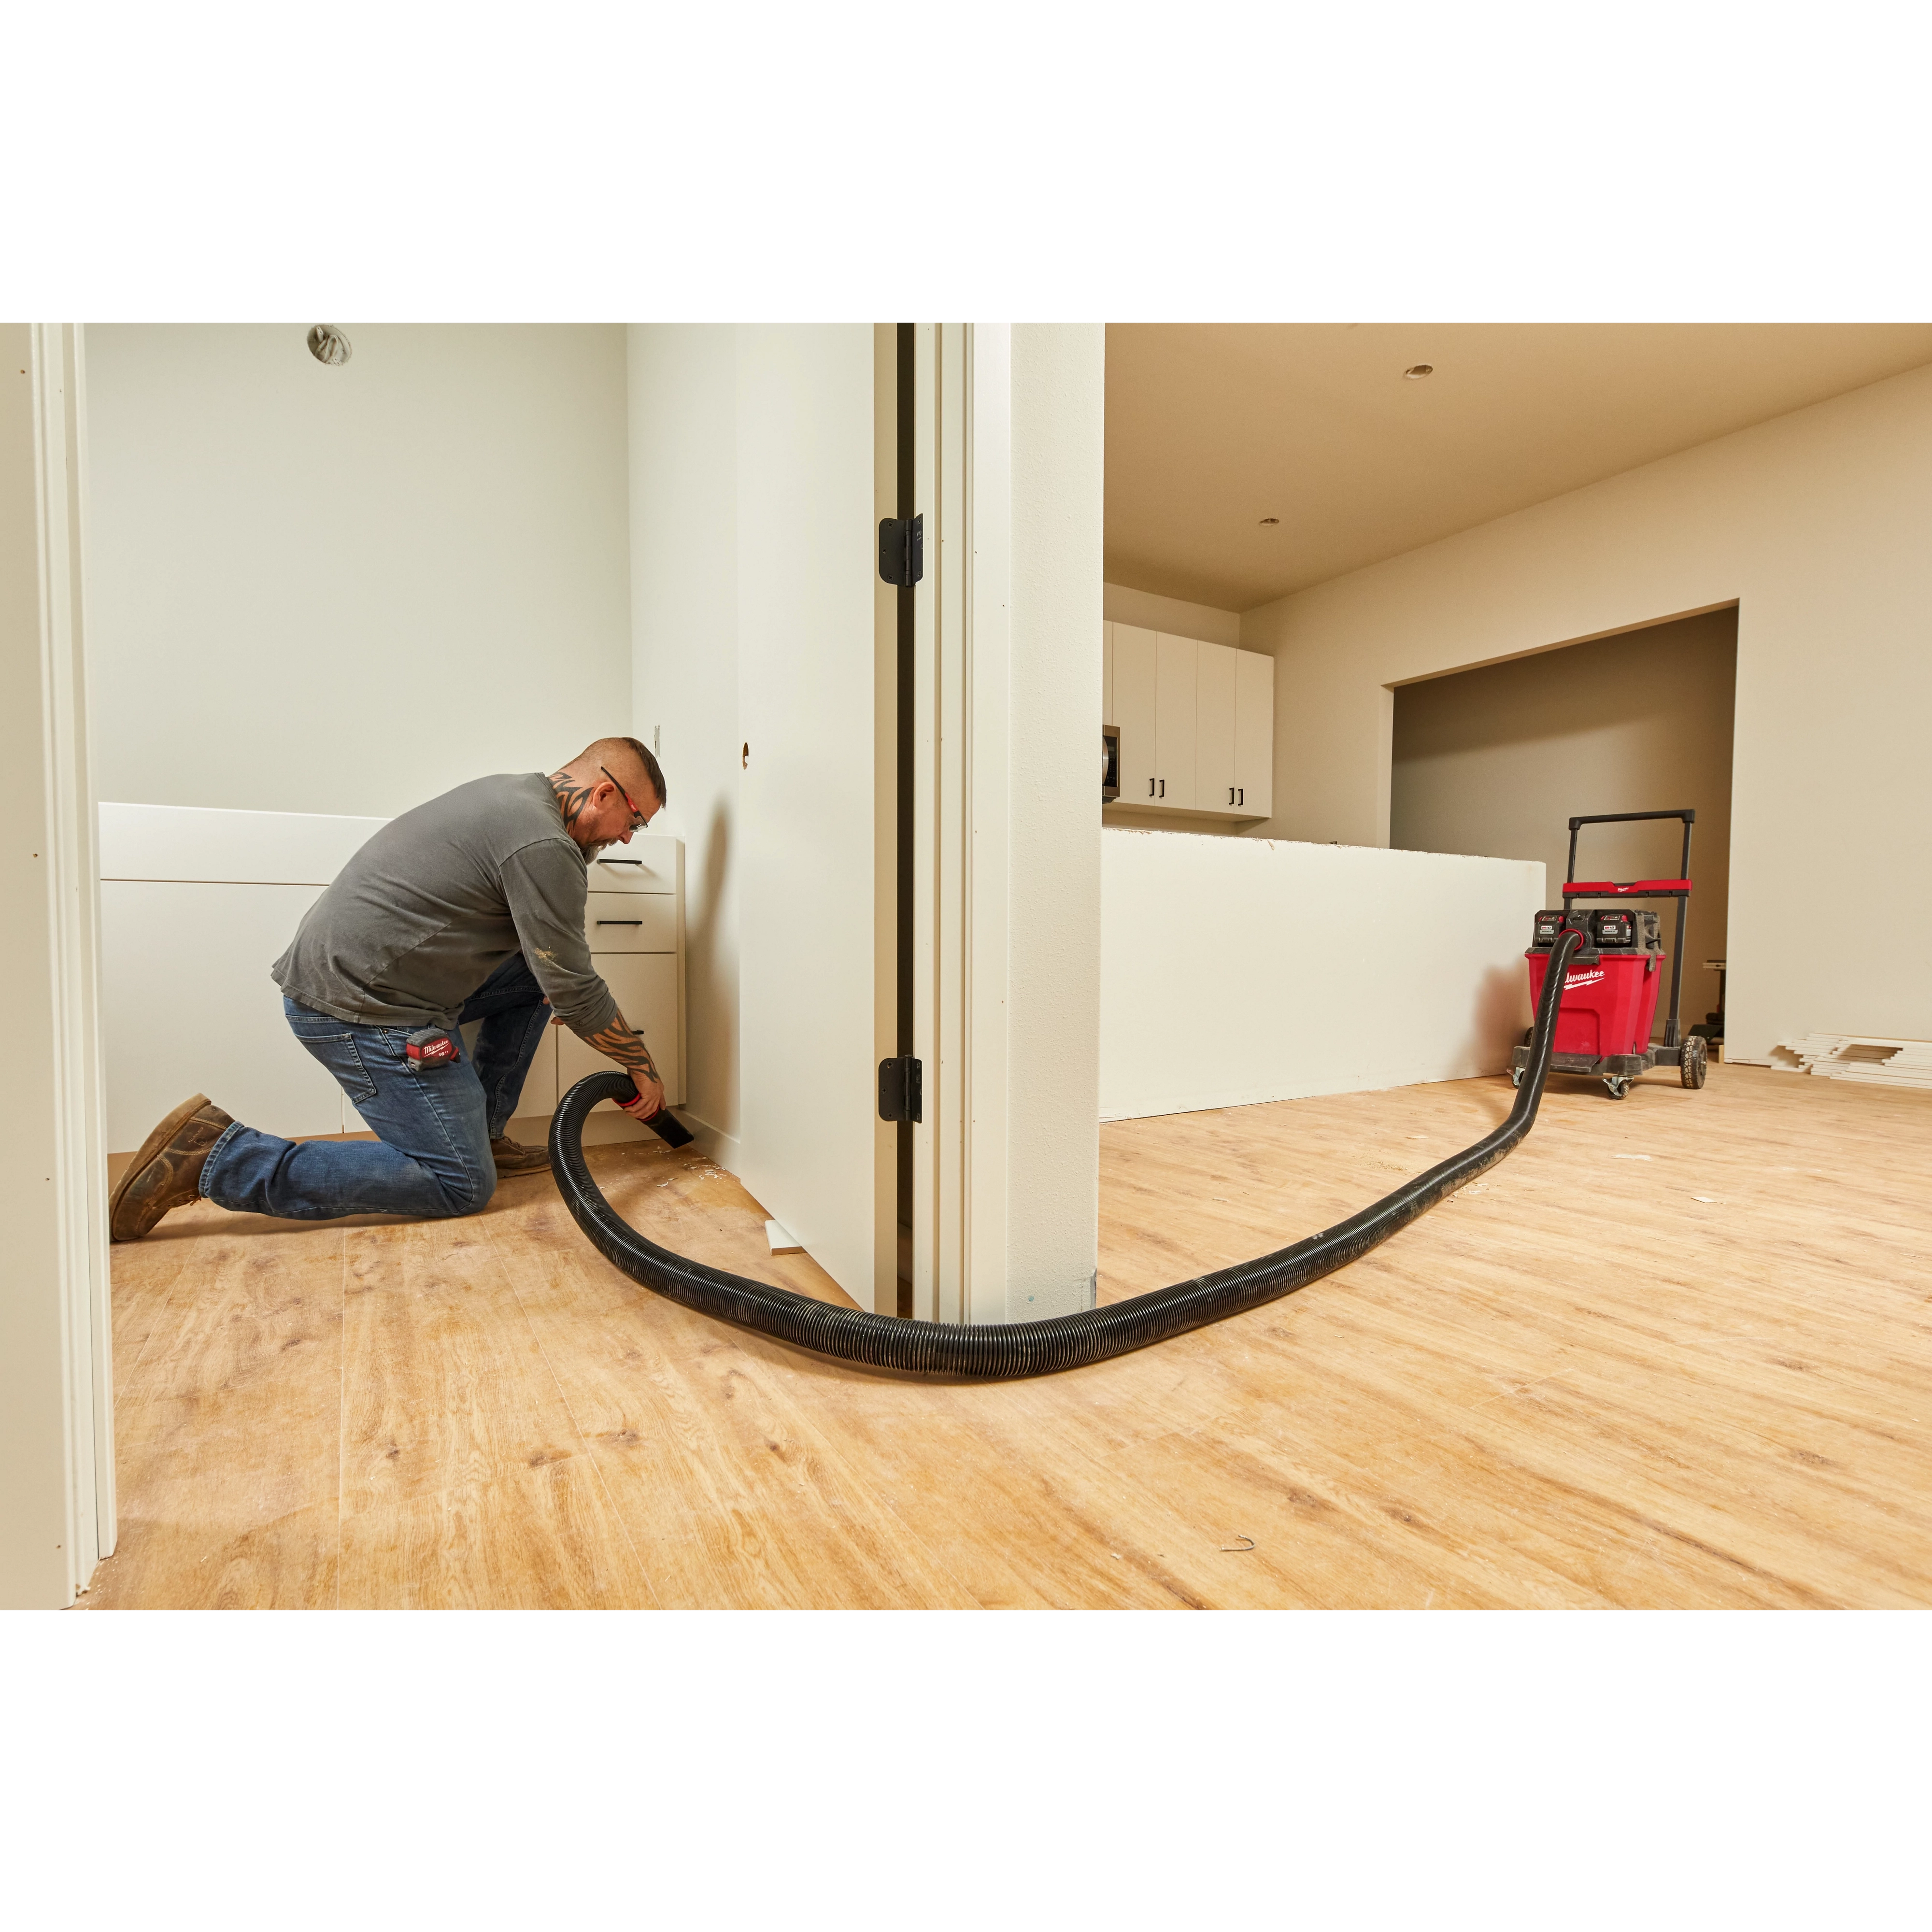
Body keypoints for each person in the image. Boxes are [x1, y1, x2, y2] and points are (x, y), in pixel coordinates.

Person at [108, 738, 671, 1242]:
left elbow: (552, 969)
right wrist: (641, 1066)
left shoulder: (517, 796)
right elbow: (575, 990)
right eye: (635, 820)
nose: (626, 836)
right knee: (460, 1184)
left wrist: (562, 984)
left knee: (533, 977)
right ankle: (219, 1157)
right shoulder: (542, 845)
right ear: (603, 793)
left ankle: (485, 1132)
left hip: (373, 979)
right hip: (362, 1008)